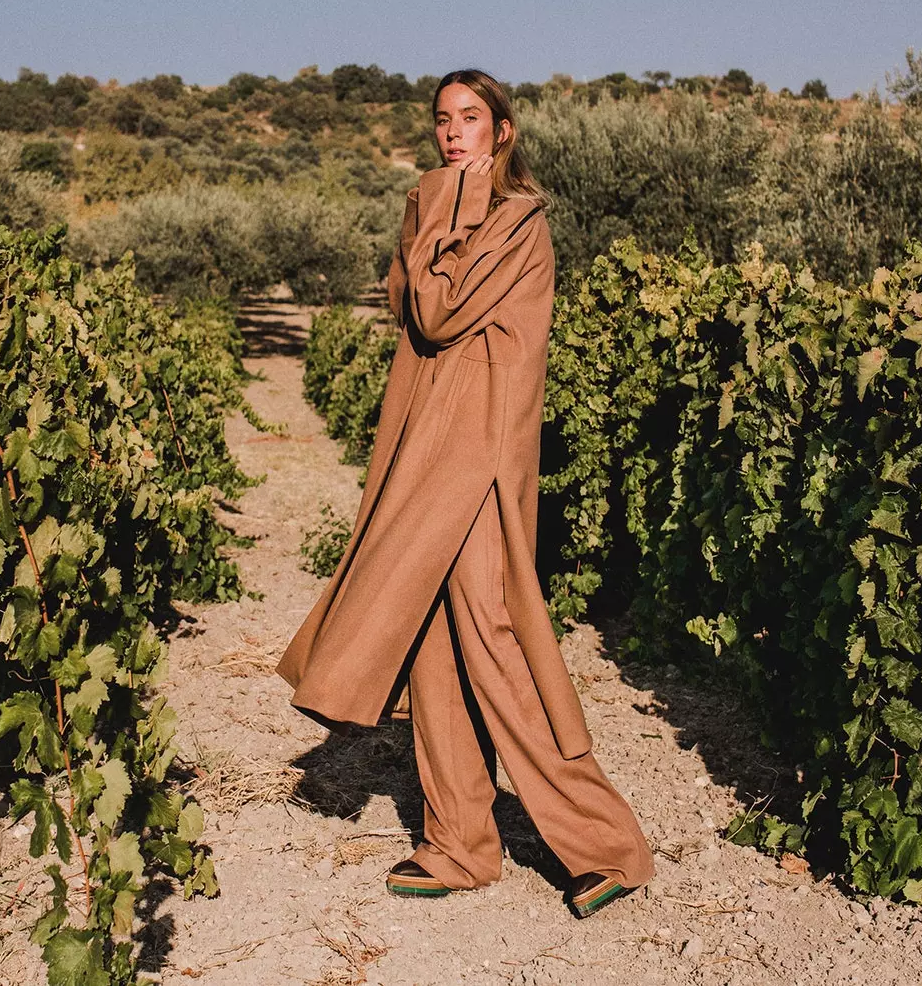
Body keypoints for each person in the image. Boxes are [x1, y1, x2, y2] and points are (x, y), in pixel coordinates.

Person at [277, 69, 655, 918]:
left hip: (479, 457)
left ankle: (608, 845)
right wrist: (436, 215)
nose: (454, 133)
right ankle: (459, 840)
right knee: (435, 643)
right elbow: (403, 302)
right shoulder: (434, 205)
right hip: (429, 450)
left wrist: (445, 214)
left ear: (503, 131)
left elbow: (438, 311)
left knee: (493, 638)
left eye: (471, 119)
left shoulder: (515, 221)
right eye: (443, 120)